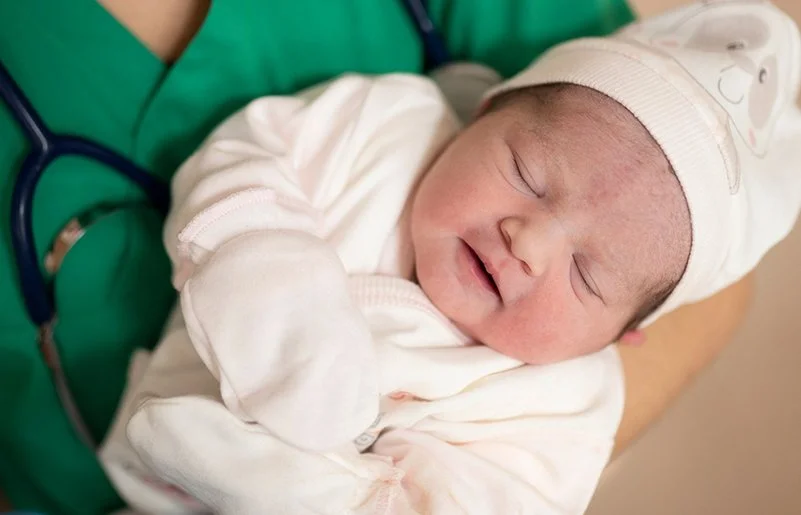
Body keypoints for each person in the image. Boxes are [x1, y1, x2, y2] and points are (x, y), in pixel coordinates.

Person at [0, 0, 754, 513]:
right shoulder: (388, 126)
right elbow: (250, 159)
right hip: (130, 466)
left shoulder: (565, 401)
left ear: (622, 334)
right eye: (525, 175)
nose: (529, 241)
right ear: (483, 107)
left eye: (587, 275)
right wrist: (264, 260)